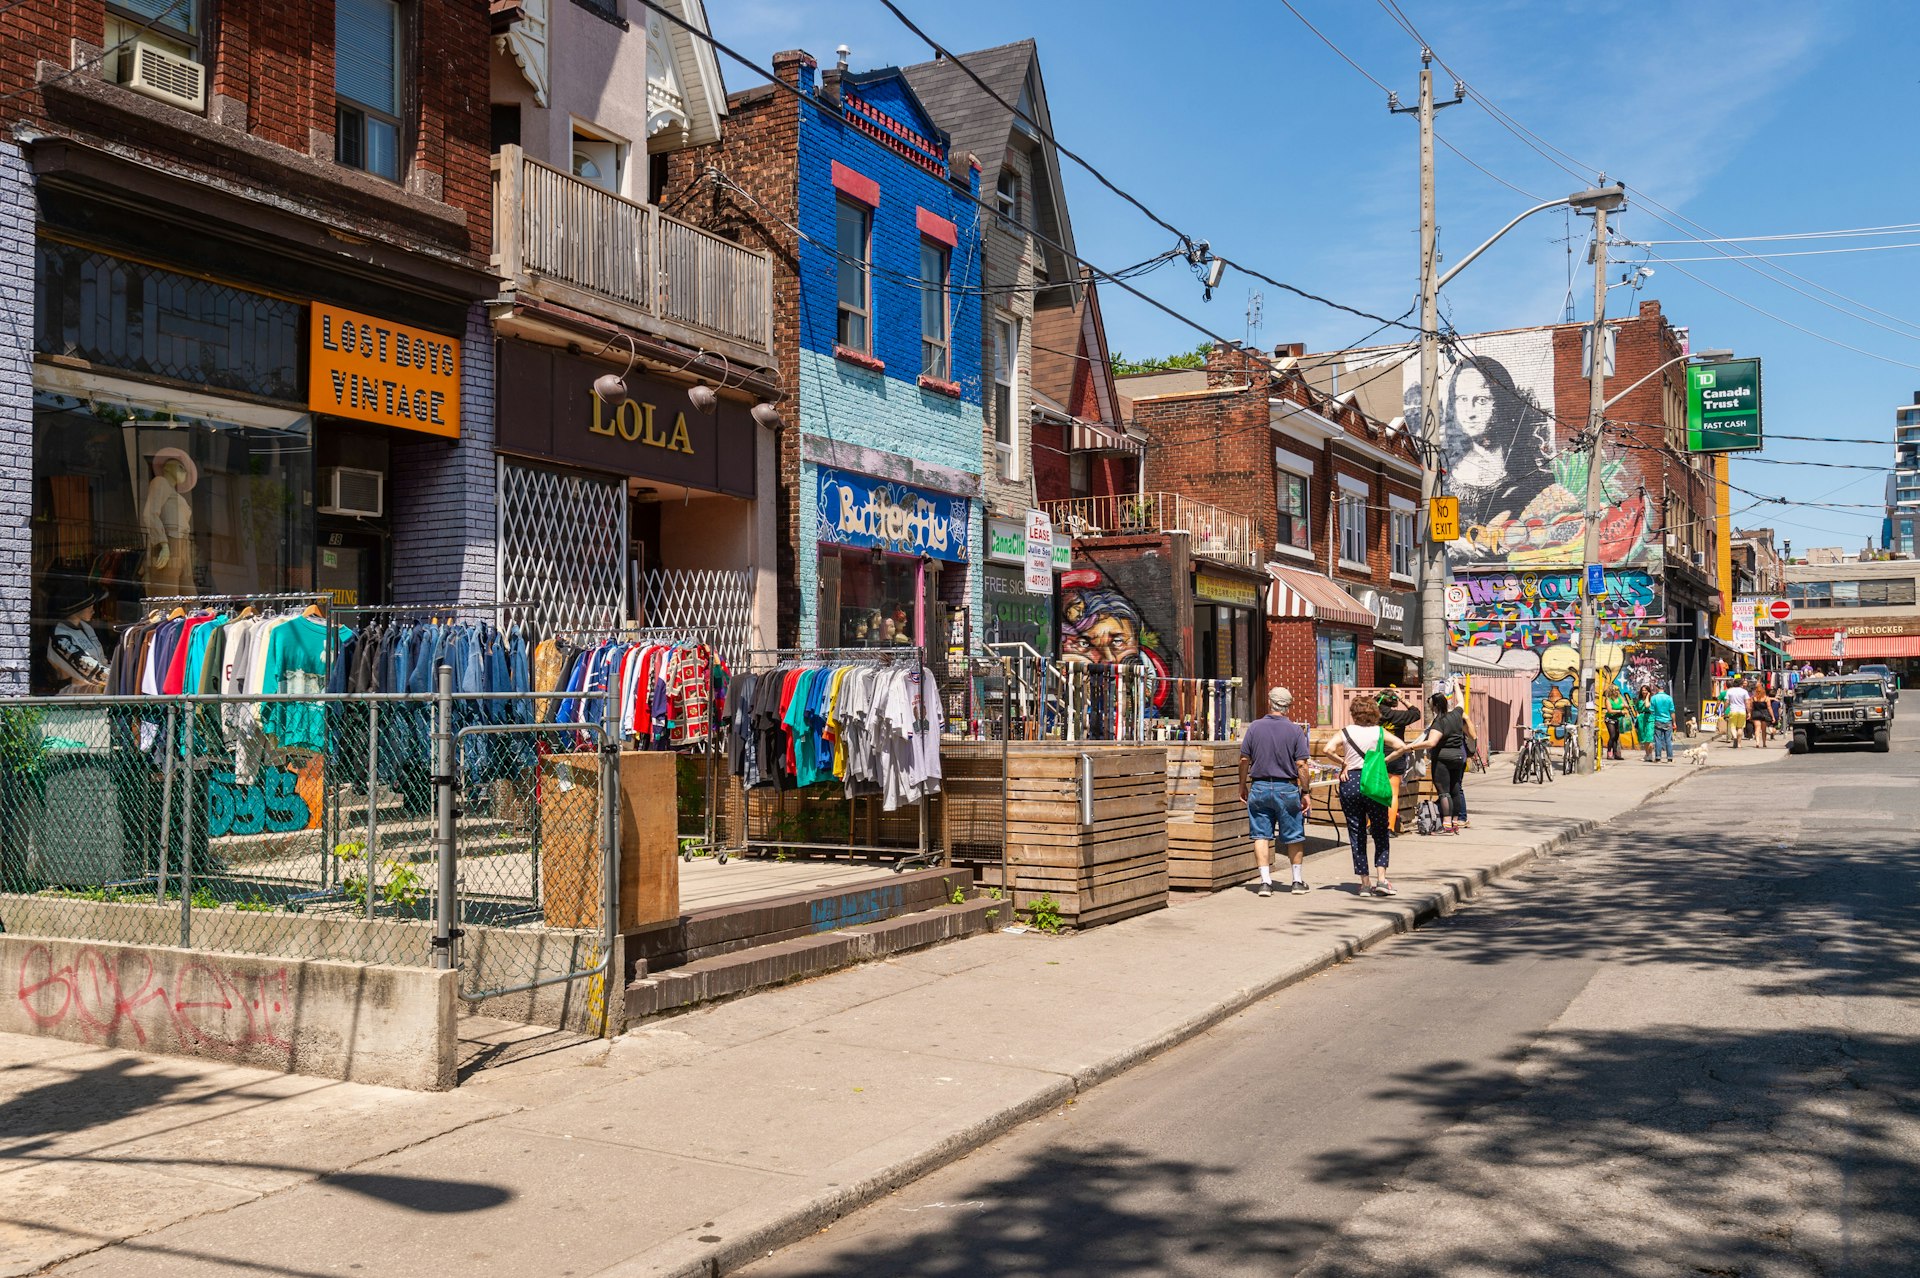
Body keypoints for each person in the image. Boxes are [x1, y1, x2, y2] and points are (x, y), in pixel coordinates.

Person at [1440, 353, 1554, 547]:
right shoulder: (1441, 476)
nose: (1470, 412)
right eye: (1462, 399)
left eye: (1482, 400)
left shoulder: (1537, 479)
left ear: (1501, 403)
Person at [1321, 697, 1411, 897]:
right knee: (1380, 831)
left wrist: (1343, 763)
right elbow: (1402, 747)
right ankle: (1381, 879)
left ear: (1354, 713)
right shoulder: (1379, 732)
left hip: (1350, 781)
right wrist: (1383, 760)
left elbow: (1327, 749)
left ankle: (1364, 883)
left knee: (1357, 831)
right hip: (1373, 781)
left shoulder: (1345, 732)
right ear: (1374, 713)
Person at [1239, 685, 1311, 898]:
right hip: (1286, 788)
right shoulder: (1295, 730)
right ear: (1288, 706)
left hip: (1259, 786)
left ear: (1270, 702)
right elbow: (1302, 765)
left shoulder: (1254, 727)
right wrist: (1305, 791)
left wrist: (1241, 784)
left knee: (1261, 835)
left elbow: (1244, 760)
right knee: (1294, 835)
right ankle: (1297, 881)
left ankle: (1265, 882)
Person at [1402, 691, 1474, 835]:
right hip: (1458, 757)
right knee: (1455, 789)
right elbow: (1461, 701)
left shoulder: (1439, 723)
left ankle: (1446, 825)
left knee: (1444, 792)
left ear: (1434, 707)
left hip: (1443, 759)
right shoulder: (1456, 714)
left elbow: (1431, 742)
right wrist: (1455, 686)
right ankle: (1455, 822)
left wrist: (1410, 747)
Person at [46, 581, 110, 694]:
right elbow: (86, 667)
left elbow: (101, 659)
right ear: (77, 608)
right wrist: (117, 677)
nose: (93, 610)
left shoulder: (87, 628)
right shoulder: (60, 637)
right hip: (72, 698)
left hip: (95, 695)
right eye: (89, 606)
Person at [1377, 690, 1424, 833]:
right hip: (1396, 756)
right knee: (1393, 793)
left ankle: (1370, 825)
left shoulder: (1372, 716)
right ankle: (1390, 827)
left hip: (1377, 756)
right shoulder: (1398, 716)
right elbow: (1416, 712)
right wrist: (1402, 698)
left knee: (1375, 792)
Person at [1649, 683, 1676, 762]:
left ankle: (1658, 757)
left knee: (1658, 739)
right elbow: (1672, 711)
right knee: (1668, 740)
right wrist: (1674, 722)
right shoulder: (1669, 698)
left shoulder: (1653, 698)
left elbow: (1651, 711)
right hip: (1667, 720)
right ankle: (1670, 758)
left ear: (1657, 688)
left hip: (1658, 720)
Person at [1722, 678, 1750, 748]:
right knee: (1740, 727)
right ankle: (1739, 744)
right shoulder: (1744, 691)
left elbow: (1727, 702)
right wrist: (1749, 712)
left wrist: (1725, 710)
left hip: (1733, 711)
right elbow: (1747, 703)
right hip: (1742, 711)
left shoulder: (1730, 691)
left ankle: (1734, 737)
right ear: (1741, 684)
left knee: (1733, 726)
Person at [1752, 682, 1777, 748]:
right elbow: (1769, 708)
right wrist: (1773, 717)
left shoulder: (1754, 698)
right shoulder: (1766, 698)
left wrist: (1750, 713)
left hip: (1756, 714)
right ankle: (1764, 743)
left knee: (1757, 729)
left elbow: (1751, 707)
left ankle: (1757, 742)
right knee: (1763, 730)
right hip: (1764, 714)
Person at [1635, 687, 1655, 762]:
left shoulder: (1651, 699)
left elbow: (1647, 706)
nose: (1644, 692)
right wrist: (1637, 715)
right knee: (1644, 738)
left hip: (1649, 718)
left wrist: (1647, 696)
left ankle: (1650, 754)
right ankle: (1647, 754)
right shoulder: (1639, 700)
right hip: (1641, 719)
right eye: (1642, 690)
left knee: (1649, 736)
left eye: (1645, 690)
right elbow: (1636, 708)